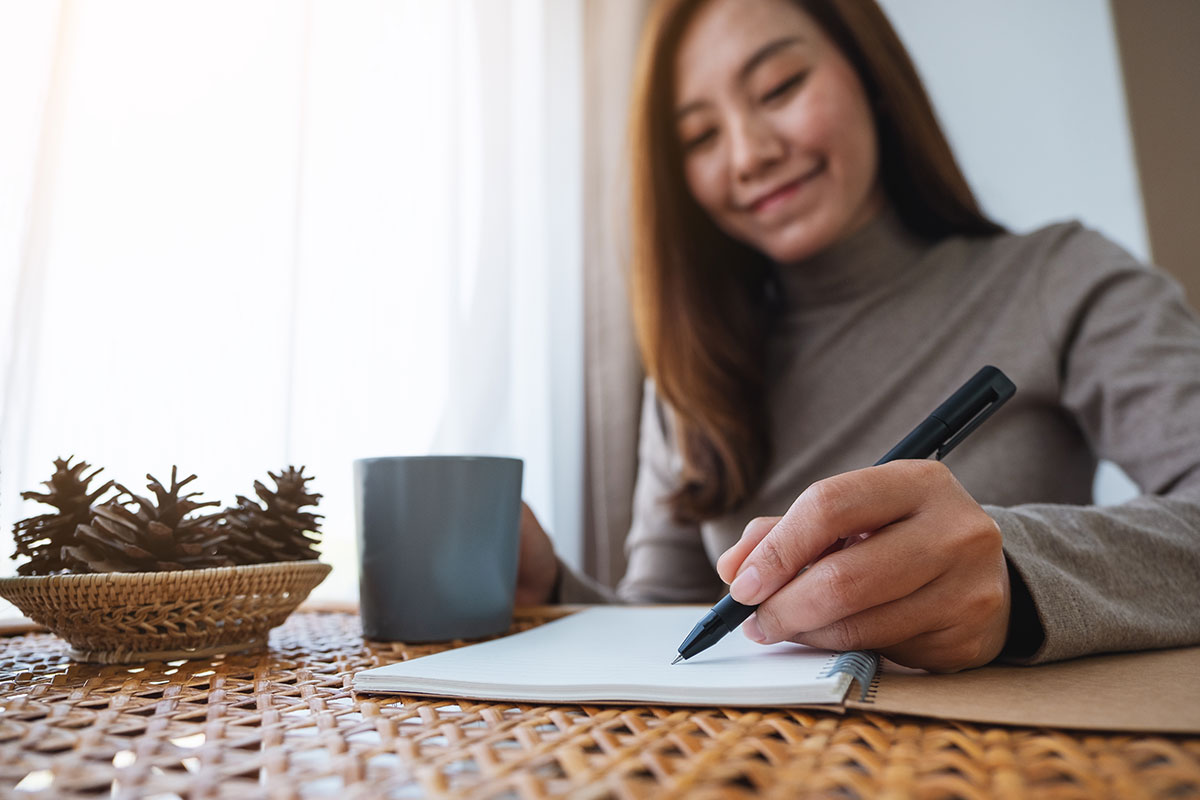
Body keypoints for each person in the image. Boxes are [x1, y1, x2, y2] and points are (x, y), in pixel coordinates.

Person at [515, 0, 1200, 672]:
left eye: (780, 87)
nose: (749, 155)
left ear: (871, 77)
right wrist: (548, 592)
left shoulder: (1062, 277)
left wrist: (1016, 570)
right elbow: (665, 623)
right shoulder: (689, 375)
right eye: (700, 137)